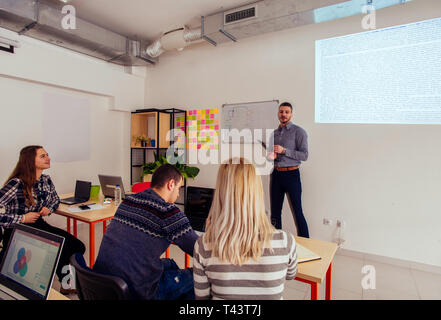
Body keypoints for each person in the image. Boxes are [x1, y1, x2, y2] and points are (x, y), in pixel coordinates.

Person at [193, 158, 298, 300]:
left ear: (221, 193)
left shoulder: (203, 245)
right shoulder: (286, 242)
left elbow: (202, 298)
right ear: (257, 192)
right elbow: (291, 275)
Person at [93, 164, 198, 300]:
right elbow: (199, 251)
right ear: (171, 184)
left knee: (170, 263)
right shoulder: (168, 211)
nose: (178, 194)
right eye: (179, 188)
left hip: (101, 283)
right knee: (195, 275)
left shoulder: (128, 201)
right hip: (136, 292)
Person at [0, 145, 86, 294]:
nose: (48, 158)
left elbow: (55, 200)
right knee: (63, 248)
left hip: (39, 225)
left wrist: (49, 208)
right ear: (29, 161)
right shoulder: (16, 183)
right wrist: (22, 218)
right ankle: (69, 283)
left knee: (77, 246)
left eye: (47, 155)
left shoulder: (46, 180)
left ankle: (67, 283)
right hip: (18, 229)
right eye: (43, 156)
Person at [268, 102, 310, 238]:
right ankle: (275, 242)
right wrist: (271, 156)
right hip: (276, 175)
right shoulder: (273, 134)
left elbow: (304, 155)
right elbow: (271, 158)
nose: (283, 114)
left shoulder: (299, 132)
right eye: (281, 112)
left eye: (286, 112)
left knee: (298, 212)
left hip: (292, 175)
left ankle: (307, 244)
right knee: (275, 213)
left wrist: (284, 150)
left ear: (291, 114)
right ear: (278, 114)